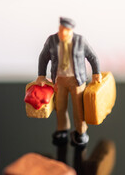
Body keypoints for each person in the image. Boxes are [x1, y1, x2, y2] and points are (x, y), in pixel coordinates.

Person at [36, 17, 101, 146]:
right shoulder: (52, 40)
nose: (63, 33)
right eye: (61, 29)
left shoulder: (80, 41)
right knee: (60, 107)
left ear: (71, 30)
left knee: (79, 108)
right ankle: (62, 130)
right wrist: (41, 76)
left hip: (77, 80)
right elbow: (43, 57)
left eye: (65, 30)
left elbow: (92, 57)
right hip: (59, 80)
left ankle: (81, 132)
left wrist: (96, 73)